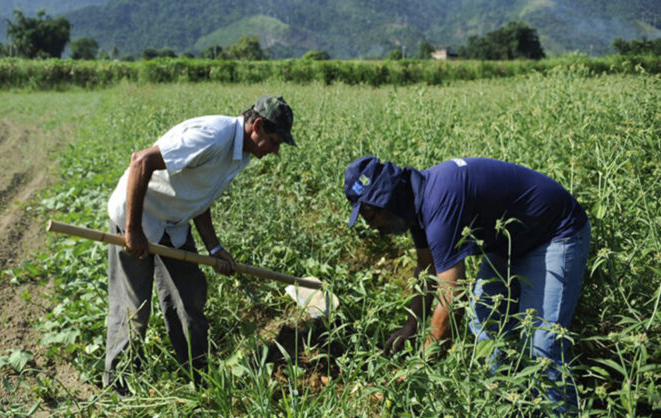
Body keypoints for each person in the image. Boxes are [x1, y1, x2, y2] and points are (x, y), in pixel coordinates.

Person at [343, 156, 590, 412]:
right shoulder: (413, 205)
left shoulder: (439, 202)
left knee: (541, 344)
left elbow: (452, 298)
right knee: (484, 319)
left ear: (385, 200)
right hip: (507, 241)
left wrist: (420, 367)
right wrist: (412, 324)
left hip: (555, 233)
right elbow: (427, 269)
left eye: (369, 215)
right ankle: (502, 403)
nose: (371, 225)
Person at [105, 96, 295, 395]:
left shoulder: (239, 153)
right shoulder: (213, 136)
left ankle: (197, 378)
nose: (275, 150)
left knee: (189, 298)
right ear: (256, 126)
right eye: (274, 142)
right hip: (138, 215)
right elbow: (141, 161)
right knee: (134, 308)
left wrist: (215, 248)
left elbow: (199, 196)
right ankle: (119, 385)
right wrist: (132, 230)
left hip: (174, 223)